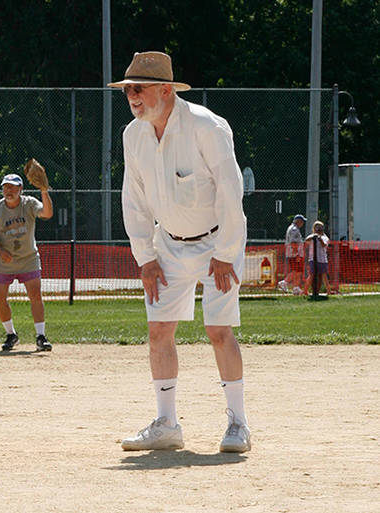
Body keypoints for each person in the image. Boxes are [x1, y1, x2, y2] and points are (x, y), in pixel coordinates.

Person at [111, 51, 251, 453]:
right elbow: (133, 200)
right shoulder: (133, 135)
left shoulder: (206, 127)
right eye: (127, 89)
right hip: (167, 244)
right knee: (159, 330)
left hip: (216, 244)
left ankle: (238, 424)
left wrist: (225, 252)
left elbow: (230, 191)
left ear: (166, 89)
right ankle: (167, 424)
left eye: (139, 88)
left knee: (218, 330)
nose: (132, 96)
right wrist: (146, 258)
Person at [0, 171, 53, 352]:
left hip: (28, 258)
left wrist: (44, 191)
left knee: (36, 296)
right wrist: (0, 250)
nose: (9, 190)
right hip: (3, 260)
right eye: (6, 187)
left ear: (20, 189)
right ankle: (11, 335)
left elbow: (47, 213)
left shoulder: (28, 203)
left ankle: (40, 336)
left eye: (13, 187)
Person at [278, 214, 306, 295]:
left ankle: (296, 288)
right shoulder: (294, 229)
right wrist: (296, 253)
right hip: (294, 253)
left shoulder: (294, 228)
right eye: (302, 221)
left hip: (295, 253)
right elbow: (294, 242)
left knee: (299, 270)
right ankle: (284, 282)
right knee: (297, 270)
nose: (302, 223)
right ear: (298, 221)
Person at [303, 220, 332, 295]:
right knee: (312, 275)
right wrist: (314, 235)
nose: (318, 230)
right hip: (313, 259)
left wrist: (320, 238)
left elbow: (324, 245)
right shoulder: (312, 236)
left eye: (320, 228)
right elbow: (306, 240)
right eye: (317, 228)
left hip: (322, 259)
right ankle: (305, 290)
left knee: (324, 275)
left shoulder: (324, 237)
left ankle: (328, 290)